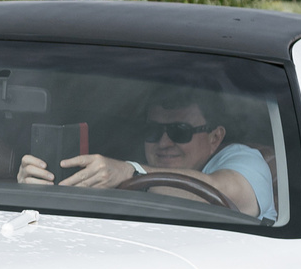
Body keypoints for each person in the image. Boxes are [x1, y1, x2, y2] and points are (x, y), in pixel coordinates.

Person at [16, 90, 275, 219]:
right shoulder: (124, 162)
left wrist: (130, 173)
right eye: (152, 130)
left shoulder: (245, 159)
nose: (163, 142)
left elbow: (227, 194)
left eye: (179, 131)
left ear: (215, 137)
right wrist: (39, 183)